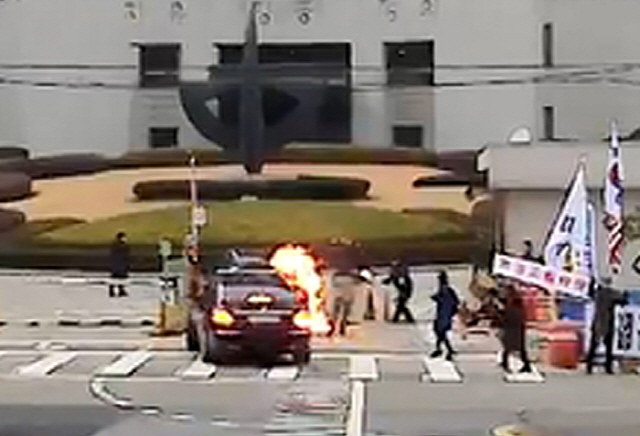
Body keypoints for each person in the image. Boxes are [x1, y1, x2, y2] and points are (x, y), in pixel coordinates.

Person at [586, 276, 628, 375]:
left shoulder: (598, 293)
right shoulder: (611, 293)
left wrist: (591, 283)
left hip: (597, 321)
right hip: (608, 321)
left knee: (594, 346)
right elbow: (623, 301)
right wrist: (625, 293)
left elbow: (590, 294)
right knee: (608, 346)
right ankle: (608, 367)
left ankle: (589, 366)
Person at [498, 284, 532, 373]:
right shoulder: (515, 303)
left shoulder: (512, 304)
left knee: (511, 347)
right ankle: (524, 364)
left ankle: (524, 364)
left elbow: (506, 316)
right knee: (516, 347)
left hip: (512, 327)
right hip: (515, 327)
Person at [430, 270, 460, 360]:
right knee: (440, 332)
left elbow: (444, 299)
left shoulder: (445, 289)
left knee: (440, 332)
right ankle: (443, 349)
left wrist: (437, 298)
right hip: (444, 313)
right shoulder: (447, 289)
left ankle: (444, 350)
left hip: (444, 314)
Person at [328, 271, 358, 337]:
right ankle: (341, 325)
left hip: (340, 278)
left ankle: (335, 326)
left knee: (337, 308)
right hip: (348, 279)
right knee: (344, 308)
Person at [108, 232, 129, 297]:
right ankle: (114, 290)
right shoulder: (119, 246)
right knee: (117, 277)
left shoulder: (117, 245)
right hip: (119, 264)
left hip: (119, 264)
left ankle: (120, 290)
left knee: (119, 277)